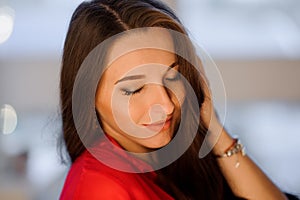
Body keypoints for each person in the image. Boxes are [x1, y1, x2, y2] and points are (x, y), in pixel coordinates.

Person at [58, 0, 293, 199]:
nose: (167, 105)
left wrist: (215, 133)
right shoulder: (99, 188)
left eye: (172, 77)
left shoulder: (172, 153)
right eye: (135, 89)